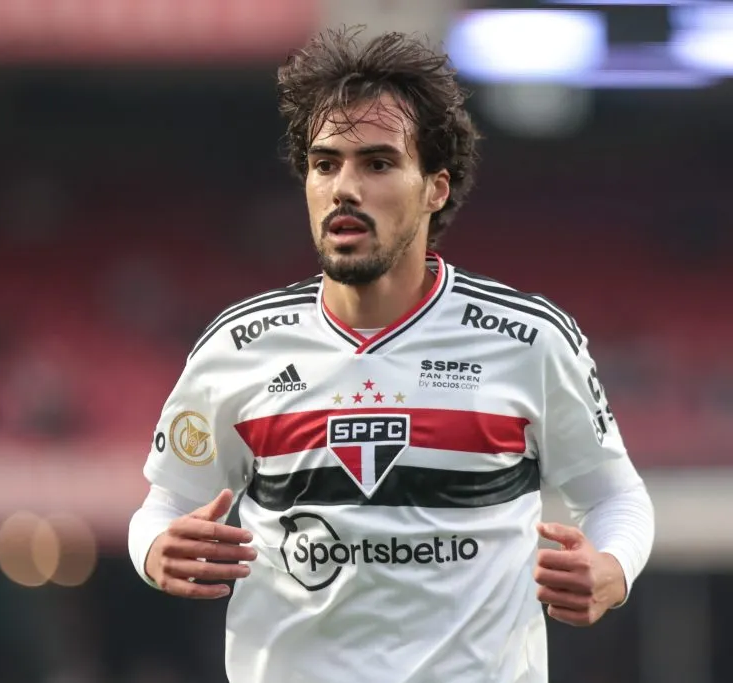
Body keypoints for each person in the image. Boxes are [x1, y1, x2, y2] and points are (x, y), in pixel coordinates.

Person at [127, 27, 655, 683]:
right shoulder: (238, 345)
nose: (344, 187)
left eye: (377, 163)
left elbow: (617, 496)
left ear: (435, 187)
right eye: (325, 163)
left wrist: (614, 567)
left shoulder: (529, 339)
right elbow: (165, 501)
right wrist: (153, 547)